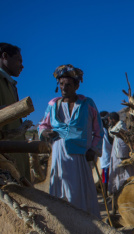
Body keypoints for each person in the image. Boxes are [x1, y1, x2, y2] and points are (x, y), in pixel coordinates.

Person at [38, 64, 103, 217]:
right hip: (59, 154)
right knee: (61, 191)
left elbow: (98, 131)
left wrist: (93, 150)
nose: (64, 88)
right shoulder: (53, 104)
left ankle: (85, 225)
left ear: (76, 85)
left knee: (79, 193)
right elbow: (42, 125)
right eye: (61, 84)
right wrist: (45, 132)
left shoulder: (88, 104)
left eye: (68, 84)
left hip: (80, 155)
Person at [0, 42, 30, 181]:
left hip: (14, 153)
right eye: (18, 60)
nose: (21, 65)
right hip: (1, 158)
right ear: (4, 56)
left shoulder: (10, 84)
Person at [107, 111, 134, 213]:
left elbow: (123, 147)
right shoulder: (116, 130)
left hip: (122, 160)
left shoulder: (120, 129)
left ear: (113, 120)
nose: (109, 122)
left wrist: (123, 160)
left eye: (110, 120)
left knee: (123, 182)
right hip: (117, 160)